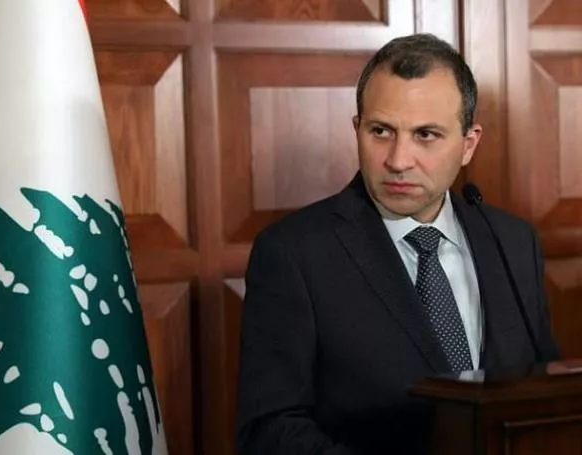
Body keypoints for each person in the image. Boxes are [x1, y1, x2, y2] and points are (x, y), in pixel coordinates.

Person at [235, 33, 560, 455]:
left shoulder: (513, 242)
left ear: (468, 145)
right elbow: (269, 432)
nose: (398, 160)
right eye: (381, 131)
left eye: (426, 134)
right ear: (357, 129)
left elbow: (547, 401)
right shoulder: (293, 254)